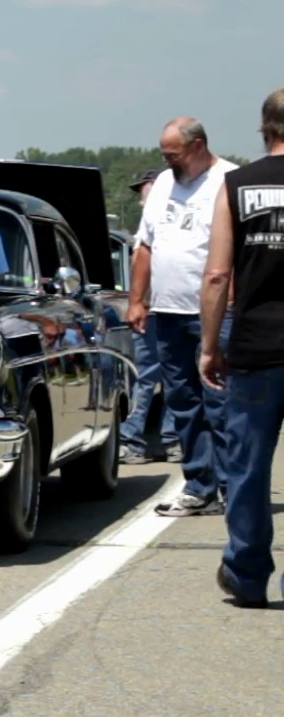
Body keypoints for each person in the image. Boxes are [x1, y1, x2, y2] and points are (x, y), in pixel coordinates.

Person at [128, 117, 239, 516]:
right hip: (169, 312)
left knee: (220, 402)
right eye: (164, 154)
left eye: (173, 154)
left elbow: (241, 250)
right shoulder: (162, 185)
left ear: (198, 146)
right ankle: (198, 485)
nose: (167, 160)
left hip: (215, 313)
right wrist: (137, 300)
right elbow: (146, 246)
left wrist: (232, 300)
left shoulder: (228, 180)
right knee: (183, 402)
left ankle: (231, 486)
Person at [200, 90, 284, 607]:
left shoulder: (236, 185)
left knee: (247, 468)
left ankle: (247, 574)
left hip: (256, 346)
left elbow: (216, 274)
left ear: (264, 129)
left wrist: (210, 346)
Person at [120, 169, 180, 464]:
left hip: (164, 309)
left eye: (147, 193)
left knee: (167, 377)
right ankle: (138, 439)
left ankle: (164, 439)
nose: (142, 201)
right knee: (148, 376)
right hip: (152, 309)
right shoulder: (147, 231)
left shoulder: (166, 228)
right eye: (142, 195)